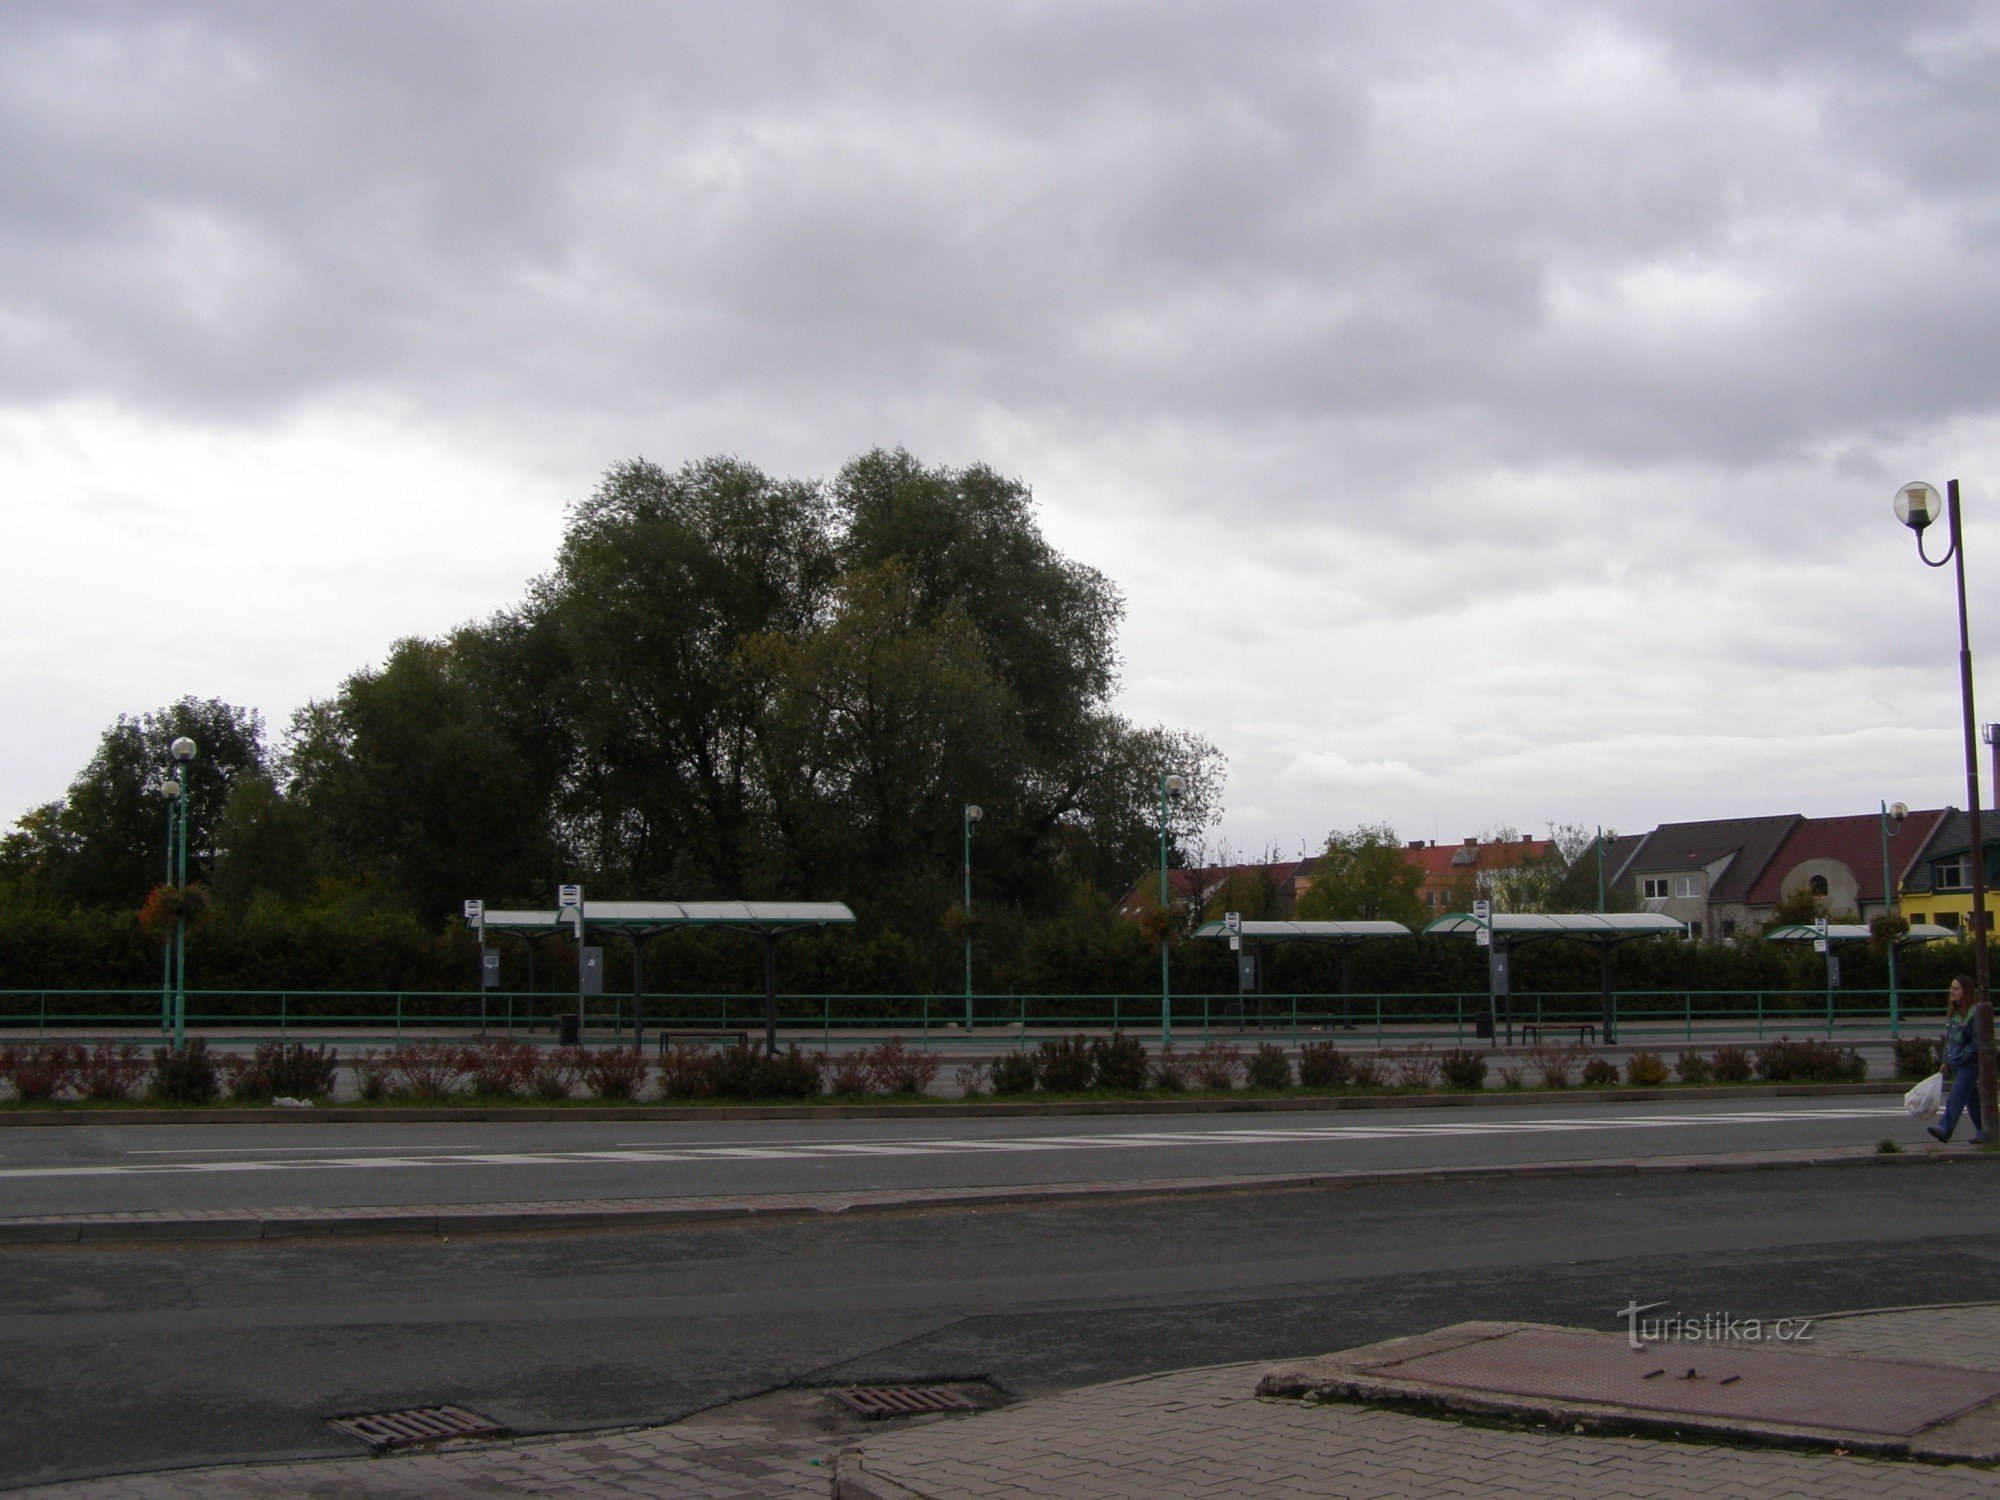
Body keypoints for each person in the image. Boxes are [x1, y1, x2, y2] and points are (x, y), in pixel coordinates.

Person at [1929, 976, 1988, 1145]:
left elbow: (1977, 1042)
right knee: (1972, 1099)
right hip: (1958, 1062)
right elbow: (1951, 1041)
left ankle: (1945, 1128)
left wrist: (1961, 1056)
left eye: (1956, 989)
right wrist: (1946, 1061)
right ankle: (1983, 1131)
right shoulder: (1955, 1014)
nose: (1952, 992)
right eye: (1951, 988)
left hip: (1969, 1063)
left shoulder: (1974, 1014)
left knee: (1957, 1095)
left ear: (1966, 992)